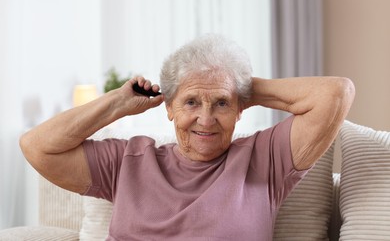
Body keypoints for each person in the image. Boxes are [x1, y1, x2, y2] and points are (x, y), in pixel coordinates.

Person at [20, 34, 355, 240]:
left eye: (221, 104)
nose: (205, 119)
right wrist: (117, 103)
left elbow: (336, 93)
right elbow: (36, 146)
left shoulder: (264, 158)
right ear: (169, 108)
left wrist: (239, 87)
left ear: (241, 109)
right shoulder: (128, 161)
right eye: (191, 102)